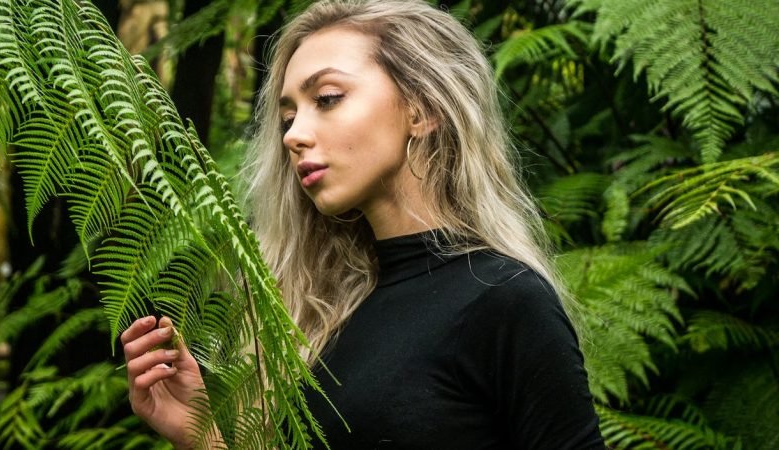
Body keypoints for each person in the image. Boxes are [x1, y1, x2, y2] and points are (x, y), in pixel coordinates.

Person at [119, 0, 605, 448]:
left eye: (327, 98)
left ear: (423, 108)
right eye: (287, 116)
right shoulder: (320, 313)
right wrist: (203, 436)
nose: (294, 135)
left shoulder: (503, 300)